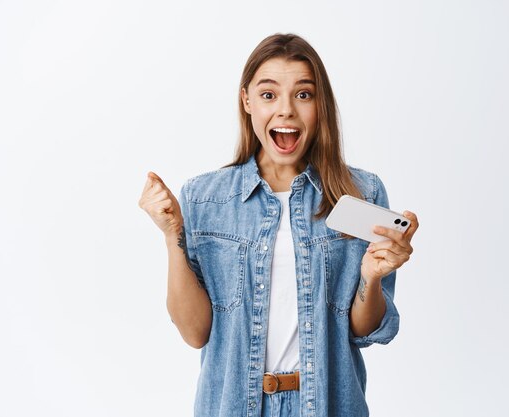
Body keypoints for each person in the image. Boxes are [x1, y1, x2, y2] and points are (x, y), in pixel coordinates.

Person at [138, 33, 418, 417]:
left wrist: (370, 277)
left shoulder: (362, 193)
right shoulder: (204, 198)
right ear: (247, 101)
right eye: (269, 95)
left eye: (303, 94)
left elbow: (363, 331)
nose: (286, 110)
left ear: (321, 105)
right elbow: (194, 332)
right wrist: (173, 237)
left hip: (328, 406)